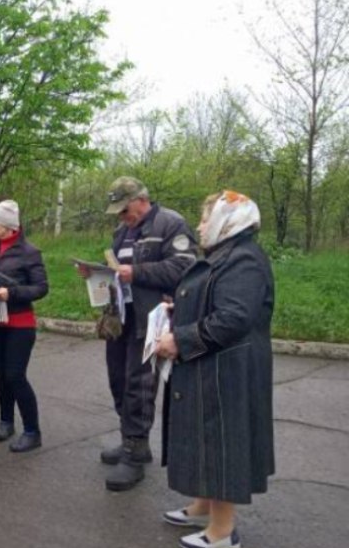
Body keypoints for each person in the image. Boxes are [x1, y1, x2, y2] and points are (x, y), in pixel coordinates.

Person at [156, 191, 274, 548]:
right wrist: (182, 308)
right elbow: (217, 302)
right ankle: (202, 506)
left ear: (227, 221)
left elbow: (234, 318)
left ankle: (222, 533)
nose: (199, 225)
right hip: (212, 365)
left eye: (206, 219)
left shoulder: (243, 260)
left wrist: (180, 339)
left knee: (220, 444)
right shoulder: (227, 255)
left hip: (228, 372)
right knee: (204, 439)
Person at [79, 176, 197, 491]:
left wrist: (138, 273)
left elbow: (186, 268)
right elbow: (120, 271)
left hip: (151, 319)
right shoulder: (123, 231)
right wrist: (97, 274)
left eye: (124, 209)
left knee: (139, 385)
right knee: (118, 379)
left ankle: (136, 451)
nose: (121, 216)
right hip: (121, 318)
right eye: (117, 211)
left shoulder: (171, 224)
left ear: (141, 199)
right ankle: (128, 437)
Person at [0, 199, 48, 453]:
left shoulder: (30, 252)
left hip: (19, 323)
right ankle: (6, 421)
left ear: (7, 226)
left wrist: (12, 293)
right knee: (1, 373)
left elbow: (41, 288)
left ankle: (32, 431)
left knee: (15, 375)